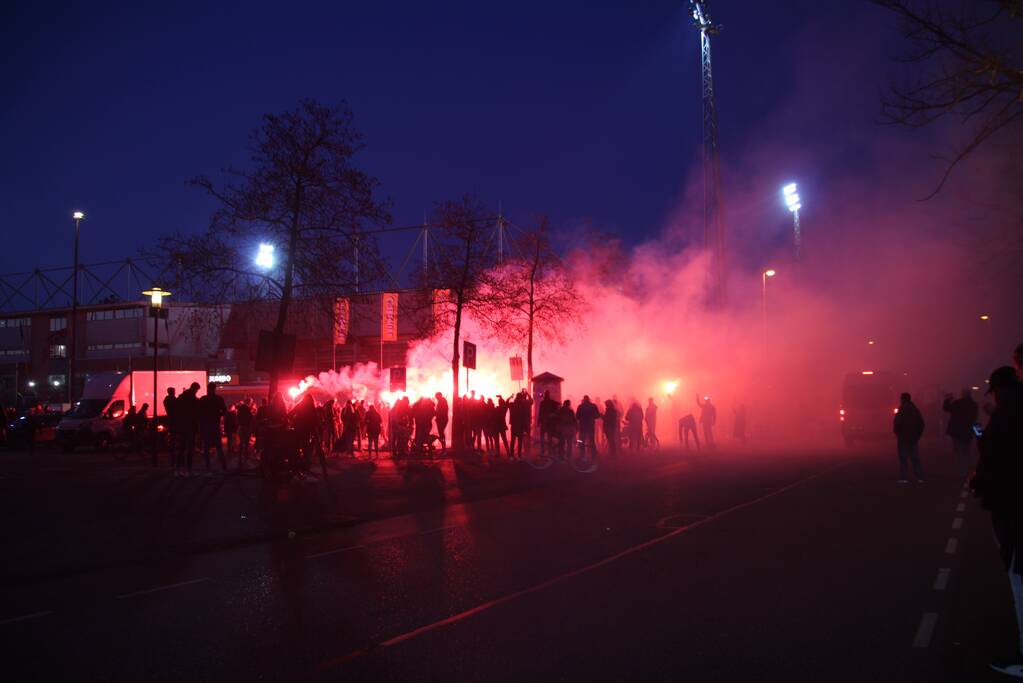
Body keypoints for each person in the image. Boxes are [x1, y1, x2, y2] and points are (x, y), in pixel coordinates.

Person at [970, 366, 1023, 676]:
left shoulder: (1007, 416)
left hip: (1014, 508)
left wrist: (980, 481)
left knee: (1019, 580)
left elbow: (994, 455)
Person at [943, 388, 979, 477]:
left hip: (957, 431)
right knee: (966, 452)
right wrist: (977, 432)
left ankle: (961, 472)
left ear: (962, 394)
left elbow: (946, 408)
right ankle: (965, 470)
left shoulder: (958, 403)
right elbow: (975, 419)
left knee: (958, 452)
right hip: (967, 431)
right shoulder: (974, 405)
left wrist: (947, 399)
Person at [893, 392, 925, 483]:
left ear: (902, 399)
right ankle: (919, 477)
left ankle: (904, 477)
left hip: (903, 438)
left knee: (903, 458)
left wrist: (898, 433)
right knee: (915, 457)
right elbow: (921, 423)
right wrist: (918, 435)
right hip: (913, 437)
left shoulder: (902, 409)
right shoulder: (915, 410)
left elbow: (897, 423)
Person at [197, 382, 227, 475]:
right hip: (215, 424)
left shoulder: (203, 399)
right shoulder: (219, 399)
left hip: (206, 425)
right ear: (215, 389)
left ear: (207, 388)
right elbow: (225, 411)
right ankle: (223, 468)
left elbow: (198, 413)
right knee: (219, 447)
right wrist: (218, 415)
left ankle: (208, 468)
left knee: (206, 448)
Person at [175, 383, 201, 477]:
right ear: (195, 389)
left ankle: (178, 469)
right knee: (190, 448)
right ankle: (188, 469)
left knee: (181, 448)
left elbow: (176, 410)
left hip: (182, 425)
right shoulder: (193, 399)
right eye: (197, 390)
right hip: (191, 425)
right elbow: (197, 411)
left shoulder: (182, 397)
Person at [538, 390, 558, 456]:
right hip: (550, 423)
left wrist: (538, 422)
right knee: (549, 437)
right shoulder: (552, 402)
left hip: (544, 422)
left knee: (542, 437)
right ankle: (550, 451)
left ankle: (543, 451)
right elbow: (557, 406)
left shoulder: (542, 403)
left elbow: (540, 413)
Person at [237, 398, 254, 465]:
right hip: (246, 427)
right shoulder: (247, 408)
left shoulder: (241, 407)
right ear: (249, 402)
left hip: (241, 426)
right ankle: (245, 457)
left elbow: (238, 416)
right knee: (246, 442)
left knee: (241, 442)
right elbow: (250, 417)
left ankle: (240, 458)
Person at [163, 388, 178, 465]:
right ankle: (174, 456)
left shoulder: (166, 400)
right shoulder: (172, 399)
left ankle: (172, 455)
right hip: (175, 421)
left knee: (172, 438)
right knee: (175, 438)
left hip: (171, 420)